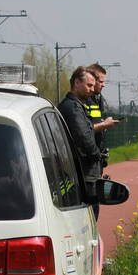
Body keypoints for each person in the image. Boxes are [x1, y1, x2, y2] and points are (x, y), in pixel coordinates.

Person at [58, 67, 104, 217]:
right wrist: (97, 155)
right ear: (77, 82)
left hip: (83, 172)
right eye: (89, 85)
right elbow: (84, 137)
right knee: (89, 216)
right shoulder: (72, 108)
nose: (92, 89)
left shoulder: (77, 106)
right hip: (84, 174)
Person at [84, 63, 121, 170]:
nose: (103, 85)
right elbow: (84, 129)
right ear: (92, 80)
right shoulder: (84, 101)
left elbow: (95, 122)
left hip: (96, 155)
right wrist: (104, 124)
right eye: (101, 82)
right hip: (88, 158)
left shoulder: (98, 99)